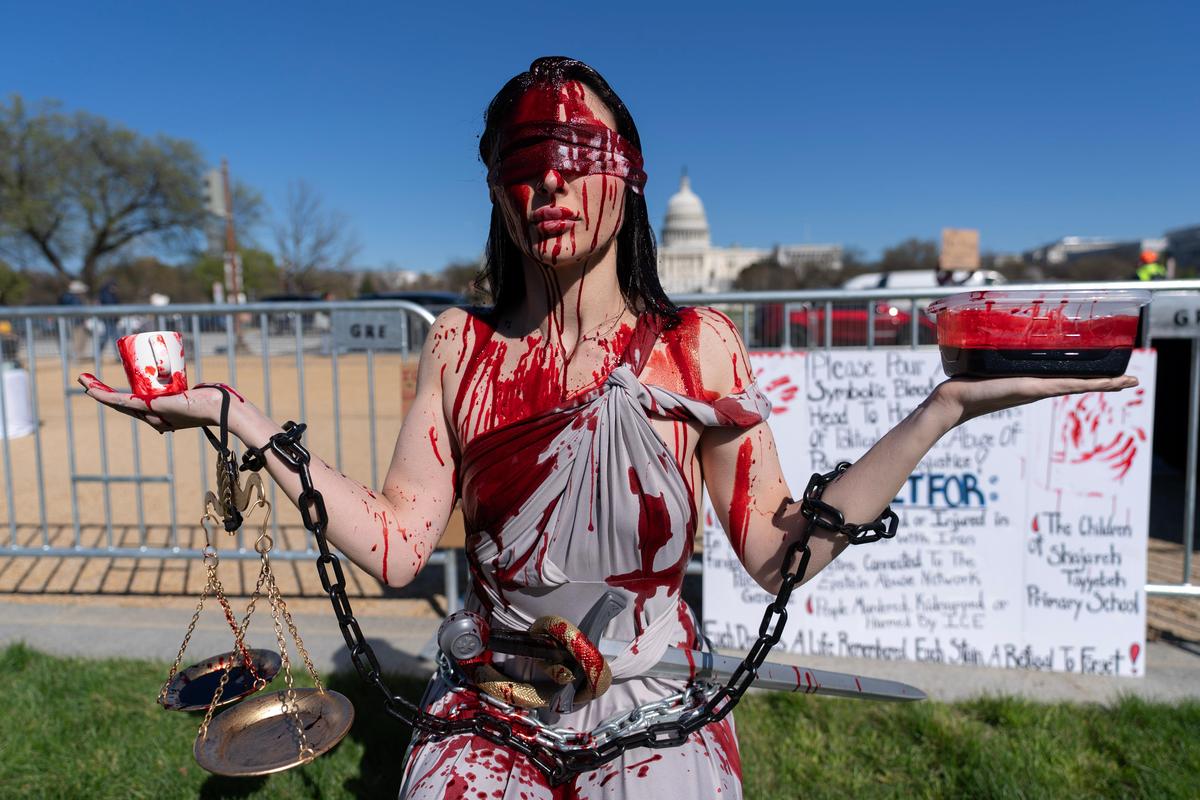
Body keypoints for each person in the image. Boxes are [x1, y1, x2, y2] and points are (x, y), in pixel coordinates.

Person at [79, 57, 1138, 798]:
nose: (545, 181)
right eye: (516, 159)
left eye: (572, 150)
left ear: (626, 172)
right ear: (495, 189)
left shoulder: (700, 347)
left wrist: (939, 410)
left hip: (649, 696)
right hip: (491, 696)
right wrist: (238, 416)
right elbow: (401, 542)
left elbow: (774, 552)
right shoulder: (461, 347)